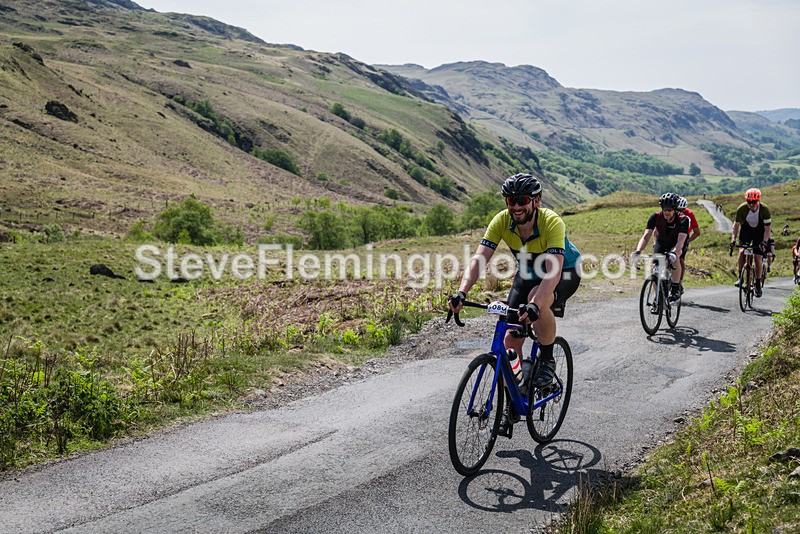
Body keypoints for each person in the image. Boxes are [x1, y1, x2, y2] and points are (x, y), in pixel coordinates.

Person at [448, 172, 581, 434]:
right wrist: (462, 292)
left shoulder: (551, 222)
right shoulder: (502, 221)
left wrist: (536, 304)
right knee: (510, 339)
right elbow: (479, 259)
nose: (516, 206)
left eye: (522, 200)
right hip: (528, 271)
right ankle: (514, 398)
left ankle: (547, 359)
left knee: (537, 302)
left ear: (536, 201)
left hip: (563, 271)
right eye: (511, 200)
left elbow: (552, 272)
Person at [632, 193, 689, 302]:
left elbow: (681, 241)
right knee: (655, 269)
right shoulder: (655, 217)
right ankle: (658, 297)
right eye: (664, 209)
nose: (666, 212)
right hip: (662, 242)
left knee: (675, 258)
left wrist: (674, 252)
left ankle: (676, 287)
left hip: (676, 243)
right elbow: (646, 236)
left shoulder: (683, 219)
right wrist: (638, 251)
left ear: (675, 209)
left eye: (669, 210)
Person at [731, 188, 771, 298]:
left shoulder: (764, 209)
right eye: (749, 202)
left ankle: (758, 284)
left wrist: (764, 242)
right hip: (746, 230)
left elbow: (767, 229)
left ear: (758, 201)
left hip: (759, 231)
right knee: (742, 251)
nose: (752, 204)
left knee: (757, 257)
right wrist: (733, 240)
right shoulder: (742, 209)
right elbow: (736, 225)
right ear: (746, 201)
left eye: (754, 202)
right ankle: (740, 277)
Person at [676, 196, 701, 290]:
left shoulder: (689, 214)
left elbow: (697, 232)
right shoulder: (671, 212)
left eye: (682, 210)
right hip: (671, 236)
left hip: (684, 236)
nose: (680, 212)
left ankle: (680, 282)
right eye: (677, 209)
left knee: (680, 259)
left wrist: (687, 241)